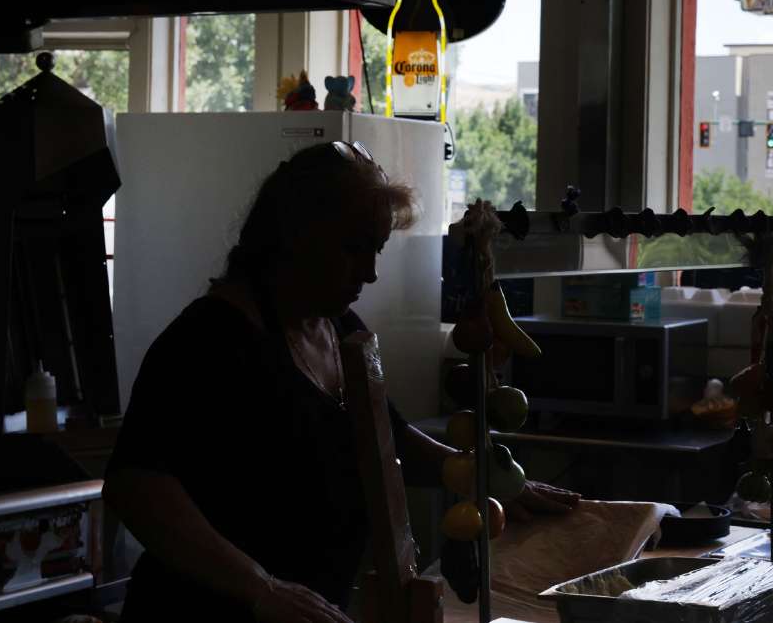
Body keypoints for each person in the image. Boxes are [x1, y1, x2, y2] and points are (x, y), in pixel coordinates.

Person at [103, 141, 580, 623]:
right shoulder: (210, 340)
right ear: (293, 234)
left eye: (375, 250)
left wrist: (489, 480)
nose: (371, 273)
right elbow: (136, 487)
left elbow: (386, 441)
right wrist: (261, 588)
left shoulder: (341, 329)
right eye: (354, 249)